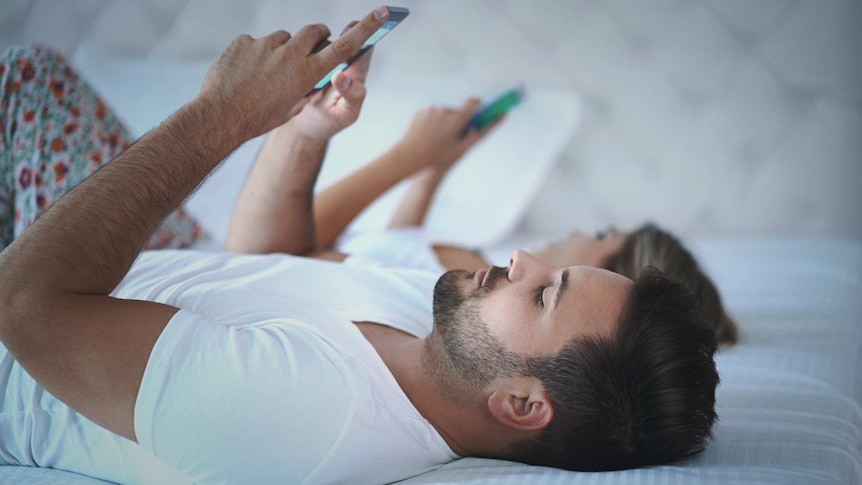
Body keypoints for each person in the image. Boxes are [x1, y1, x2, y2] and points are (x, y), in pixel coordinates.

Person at [0, 8, 719, 485]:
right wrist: (302, 136)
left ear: (524, 404)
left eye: (542, 293)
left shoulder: (313, 419)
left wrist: (224, 114)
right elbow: (264, 261)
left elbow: (24, 304)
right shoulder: (441, 330)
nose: (522, 259)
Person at [286, 101, 738, 347]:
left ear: (612, 280)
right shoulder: (468, 269)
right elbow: (395, 245)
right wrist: (433, 172)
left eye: (601, 238)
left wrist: (408, 156)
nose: (581, 231)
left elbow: (290, 246)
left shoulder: (461, 283)